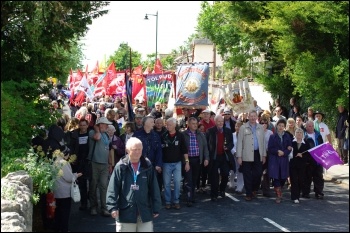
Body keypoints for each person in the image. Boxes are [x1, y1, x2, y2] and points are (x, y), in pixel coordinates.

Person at [106, 137, 161, 232]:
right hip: (125, 212)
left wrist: (156, 207)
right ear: (127, 150)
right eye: (134, 149)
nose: (137, 152)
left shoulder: (147, 166)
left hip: (144, 211)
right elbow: (113, 188)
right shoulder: (120, 167)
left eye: (139, 149)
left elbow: (154, 188)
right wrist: (112, 207)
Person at [236, 110, 266, 201]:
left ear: (257, 117)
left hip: (258, 153)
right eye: (251, 116)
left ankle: (254, 189)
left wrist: (264, 155)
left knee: (258, 173)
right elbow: (239, 143)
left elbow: (263, 142)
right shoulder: (243, 128)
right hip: (246, 154)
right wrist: (239, 156)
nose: (253, 118)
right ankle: (248, 193)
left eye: (254, 116)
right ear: (248, 117)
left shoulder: (260, 128)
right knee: (247, 175)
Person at [161, 117, 188, 210]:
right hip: (166, 163)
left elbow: (184, 150)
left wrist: (187, 162)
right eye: (167, 125)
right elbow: (160, 151)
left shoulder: (180, 135)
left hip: (177, 163)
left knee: (177, 182)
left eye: (170, 125)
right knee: (167, 183)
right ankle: (168, 201)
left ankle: (176, 201)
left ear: (174, 125)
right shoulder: (163, 136)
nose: (168, 126)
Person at [53, 147, 82, 232]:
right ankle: (64, 229)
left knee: (58, 212)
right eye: (68, 154)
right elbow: (69, 178)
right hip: (65, 192)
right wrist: (76, 175)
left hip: (57, 191)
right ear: (65, 154)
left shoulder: (54, 162)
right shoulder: (64, 163)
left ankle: (58, 228)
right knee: (65, 213)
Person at [88, 117, 112, 216]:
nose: (107, 126)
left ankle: (104, 208)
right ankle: (93, 206)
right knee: (93, 185)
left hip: (104, 164)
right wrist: (97, 128)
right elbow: (97, 138)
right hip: (94, 162)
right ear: (100, 124)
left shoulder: (106, 134)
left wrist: (110, 163)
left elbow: (108, 150)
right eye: (105, 124)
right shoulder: (93, 133)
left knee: (104, 186)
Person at [206, 115, 234, 201]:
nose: (221, 123)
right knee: (214, 176)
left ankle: (222, 190)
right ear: (215, 122)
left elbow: (231, 143)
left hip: (224, 156)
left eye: (222, 121)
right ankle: (214, 194)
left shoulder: (228, 131)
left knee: (225, 174)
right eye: (219, 121)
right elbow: (207, 145)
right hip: (214, 157)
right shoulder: (210, 131)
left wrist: (228, 147)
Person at [182, 117, 209, 206]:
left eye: (196, 123)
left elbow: (205, 147)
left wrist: (206, 158)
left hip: (197, 159)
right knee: (188, 179)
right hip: (188, 160)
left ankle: (192, 196)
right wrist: (186, 161)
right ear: (188, 124)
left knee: (194, 179)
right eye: (193, 123)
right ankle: (189, 198)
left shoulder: (201, 135)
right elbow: (182, 149)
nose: (195, 125)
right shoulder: (183, 134)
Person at [133, 116, 163, 193]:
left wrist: (158, 164)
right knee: (141, 184)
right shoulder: (137, 134)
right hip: (140, 164)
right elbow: (132, 149)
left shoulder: (156, 136)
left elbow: (159, 151)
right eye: (151, 122)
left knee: (153, 185)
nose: (153, 124)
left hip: (153, 165)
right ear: (146, 123)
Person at [268, 118, 292, 203]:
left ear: (284, 127)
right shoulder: (272, 136)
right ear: (277, 126)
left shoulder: (287, 136)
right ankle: (278, 195)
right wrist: (277, 151)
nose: (281, 127)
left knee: (283, 178)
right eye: (279, 125)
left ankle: (280, 189)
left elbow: (289, 147)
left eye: (282, 126)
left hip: (284, 159)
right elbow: (270, 148)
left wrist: (284, 152)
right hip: (275, 160)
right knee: (276, 177)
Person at [303, 120, 324, 199]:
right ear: (306, 127)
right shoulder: (304, 136)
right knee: (307, 177)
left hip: (318, 159)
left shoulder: (318, 135)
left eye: (312, 126)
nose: (311, 127)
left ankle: (319, 192)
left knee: (318, 177)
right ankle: (306, 192)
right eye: (309, 126)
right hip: (308, 160)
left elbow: (322, 146)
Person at [290, 128, 310, 204]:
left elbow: (308, 156)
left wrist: (302, 156)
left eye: (300, 132)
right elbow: (288, 153)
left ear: (303, 134)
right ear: (295, 133)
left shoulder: (306, 143)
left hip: (302, 166)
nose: (298, 134)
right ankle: (295, 197)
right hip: (293, 165)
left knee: (301, 180)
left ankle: (297, 194)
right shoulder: (291, 142)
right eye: (297, 132)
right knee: (294, 180)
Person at [259, 117, 274, 197]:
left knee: (266, 173)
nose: (263, 125)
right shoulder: (257, 132)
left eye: (265, 123)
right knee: (258, 172)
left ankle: (266, 190)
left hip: (268, 153)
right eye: (262, 123)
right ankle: (255, 188)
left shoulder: (270, 133)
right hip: (258, 153)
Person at [230, 121, 244, 193]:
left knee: (240, 171)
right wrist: (234, 152)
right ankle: (231, 183)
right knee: (232, 171)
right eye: (236, 126)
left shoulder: (245, 135)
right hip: (233, 156)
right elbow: (230, 145)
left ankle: (240, 187)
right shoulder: (232, 135)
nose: (237, 128)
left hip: (241, 156)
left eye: (239, 126)